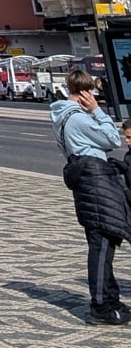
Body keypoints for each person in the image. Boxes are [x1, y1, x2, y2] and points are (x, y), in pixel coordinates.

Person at [51, 70, 131, 324]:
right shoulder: (77, 118)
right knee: (102, 245)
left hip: (87, 183)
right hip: (96, 184)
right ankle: (101, 306)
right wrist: (97, 111)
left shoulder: (61, 117)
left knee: (102, 244)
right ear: (87, 93)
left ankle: (110, 299)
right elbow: (112, 139)